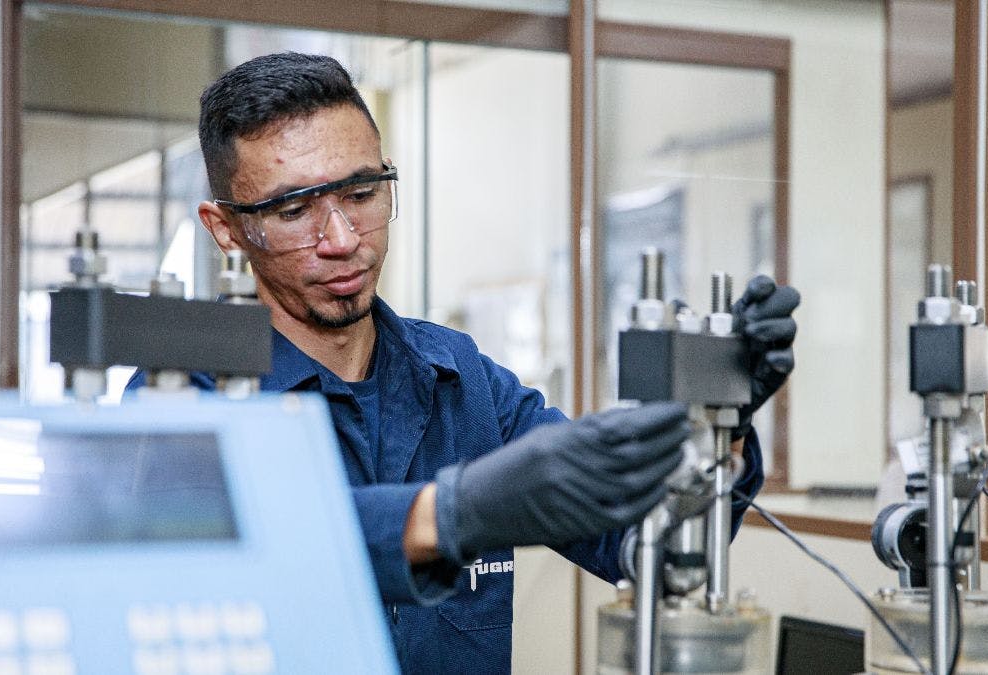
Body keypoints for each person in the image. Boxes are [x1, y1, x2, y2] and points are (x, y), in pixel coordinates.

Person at [126, 52, 799, 674]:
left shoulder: (462, 377)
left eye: (362, 194)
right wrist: (449, 513)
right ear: (226, 229)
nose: (341, 240)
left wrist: (717, 423)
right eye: (296, 209)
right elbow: (217, 558)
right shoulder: (180, 392)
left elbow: (644, 540)